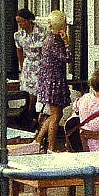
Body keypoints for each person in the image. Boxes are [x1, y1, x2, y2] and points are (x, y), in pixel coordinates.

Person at [33, 10, 71, 152]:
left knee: (55, 114)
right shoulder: (55, 41)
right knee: (56, 114)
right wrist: (67, 43)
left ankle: (37, 141)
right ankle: (51, 146)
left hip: (50, 78)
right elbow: (67, 58)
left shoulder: (50, 38)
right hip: (54, 80)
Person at [13, 9, 44, 103]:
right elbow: (19, 50)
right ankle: (28, 114)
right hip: (28, 66)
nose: (20, 25)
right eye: (18, 22)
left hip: (41, 64)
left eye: (21, 22)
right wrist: (21, 66)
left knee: (39, 93)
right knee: (28, 94)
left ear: (28, 20)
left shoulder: (42, 32)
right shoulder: (18, 35)